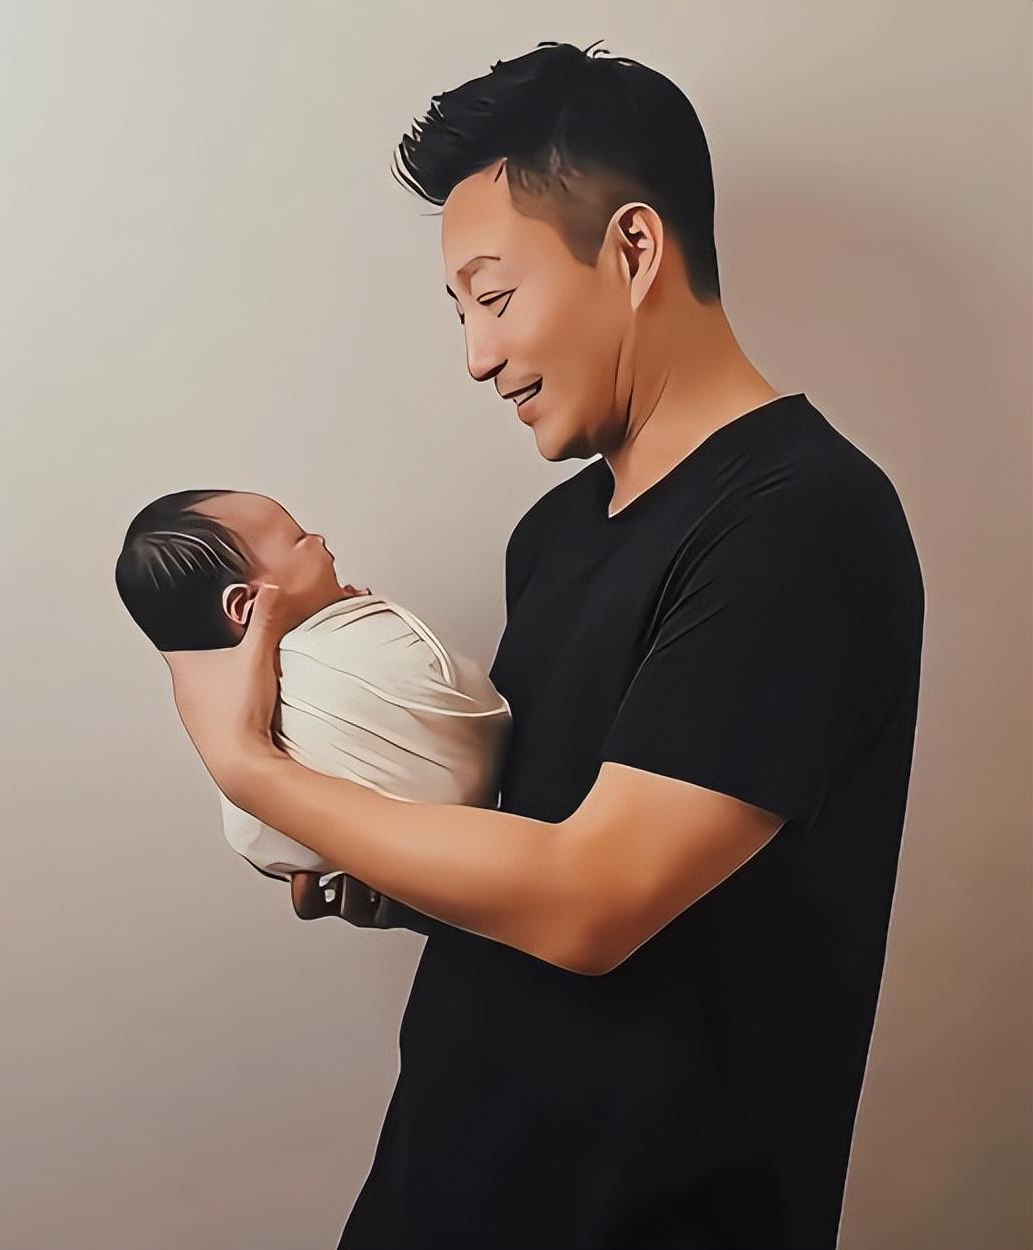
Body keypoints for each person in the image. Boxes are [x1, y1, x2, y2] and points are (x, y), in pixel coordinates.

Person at [160, 39, 925, 1250]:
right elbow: (549, 850)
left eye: (496, 296)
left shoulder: (804, 520)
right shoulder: (556, 534)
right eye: (461, 309)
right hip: (437, 1188)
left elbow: (592, 902)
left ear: (634, 249)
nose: (476, 354)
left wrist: (248, 763)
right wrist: (399, 878)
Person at [113, 488, 512, 905]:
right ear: (245, 603)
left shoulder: (232, 718)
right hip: (475, 836)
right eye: (299, 539)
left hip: (450, 851)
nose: (320, 540)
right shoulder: (311, 668)